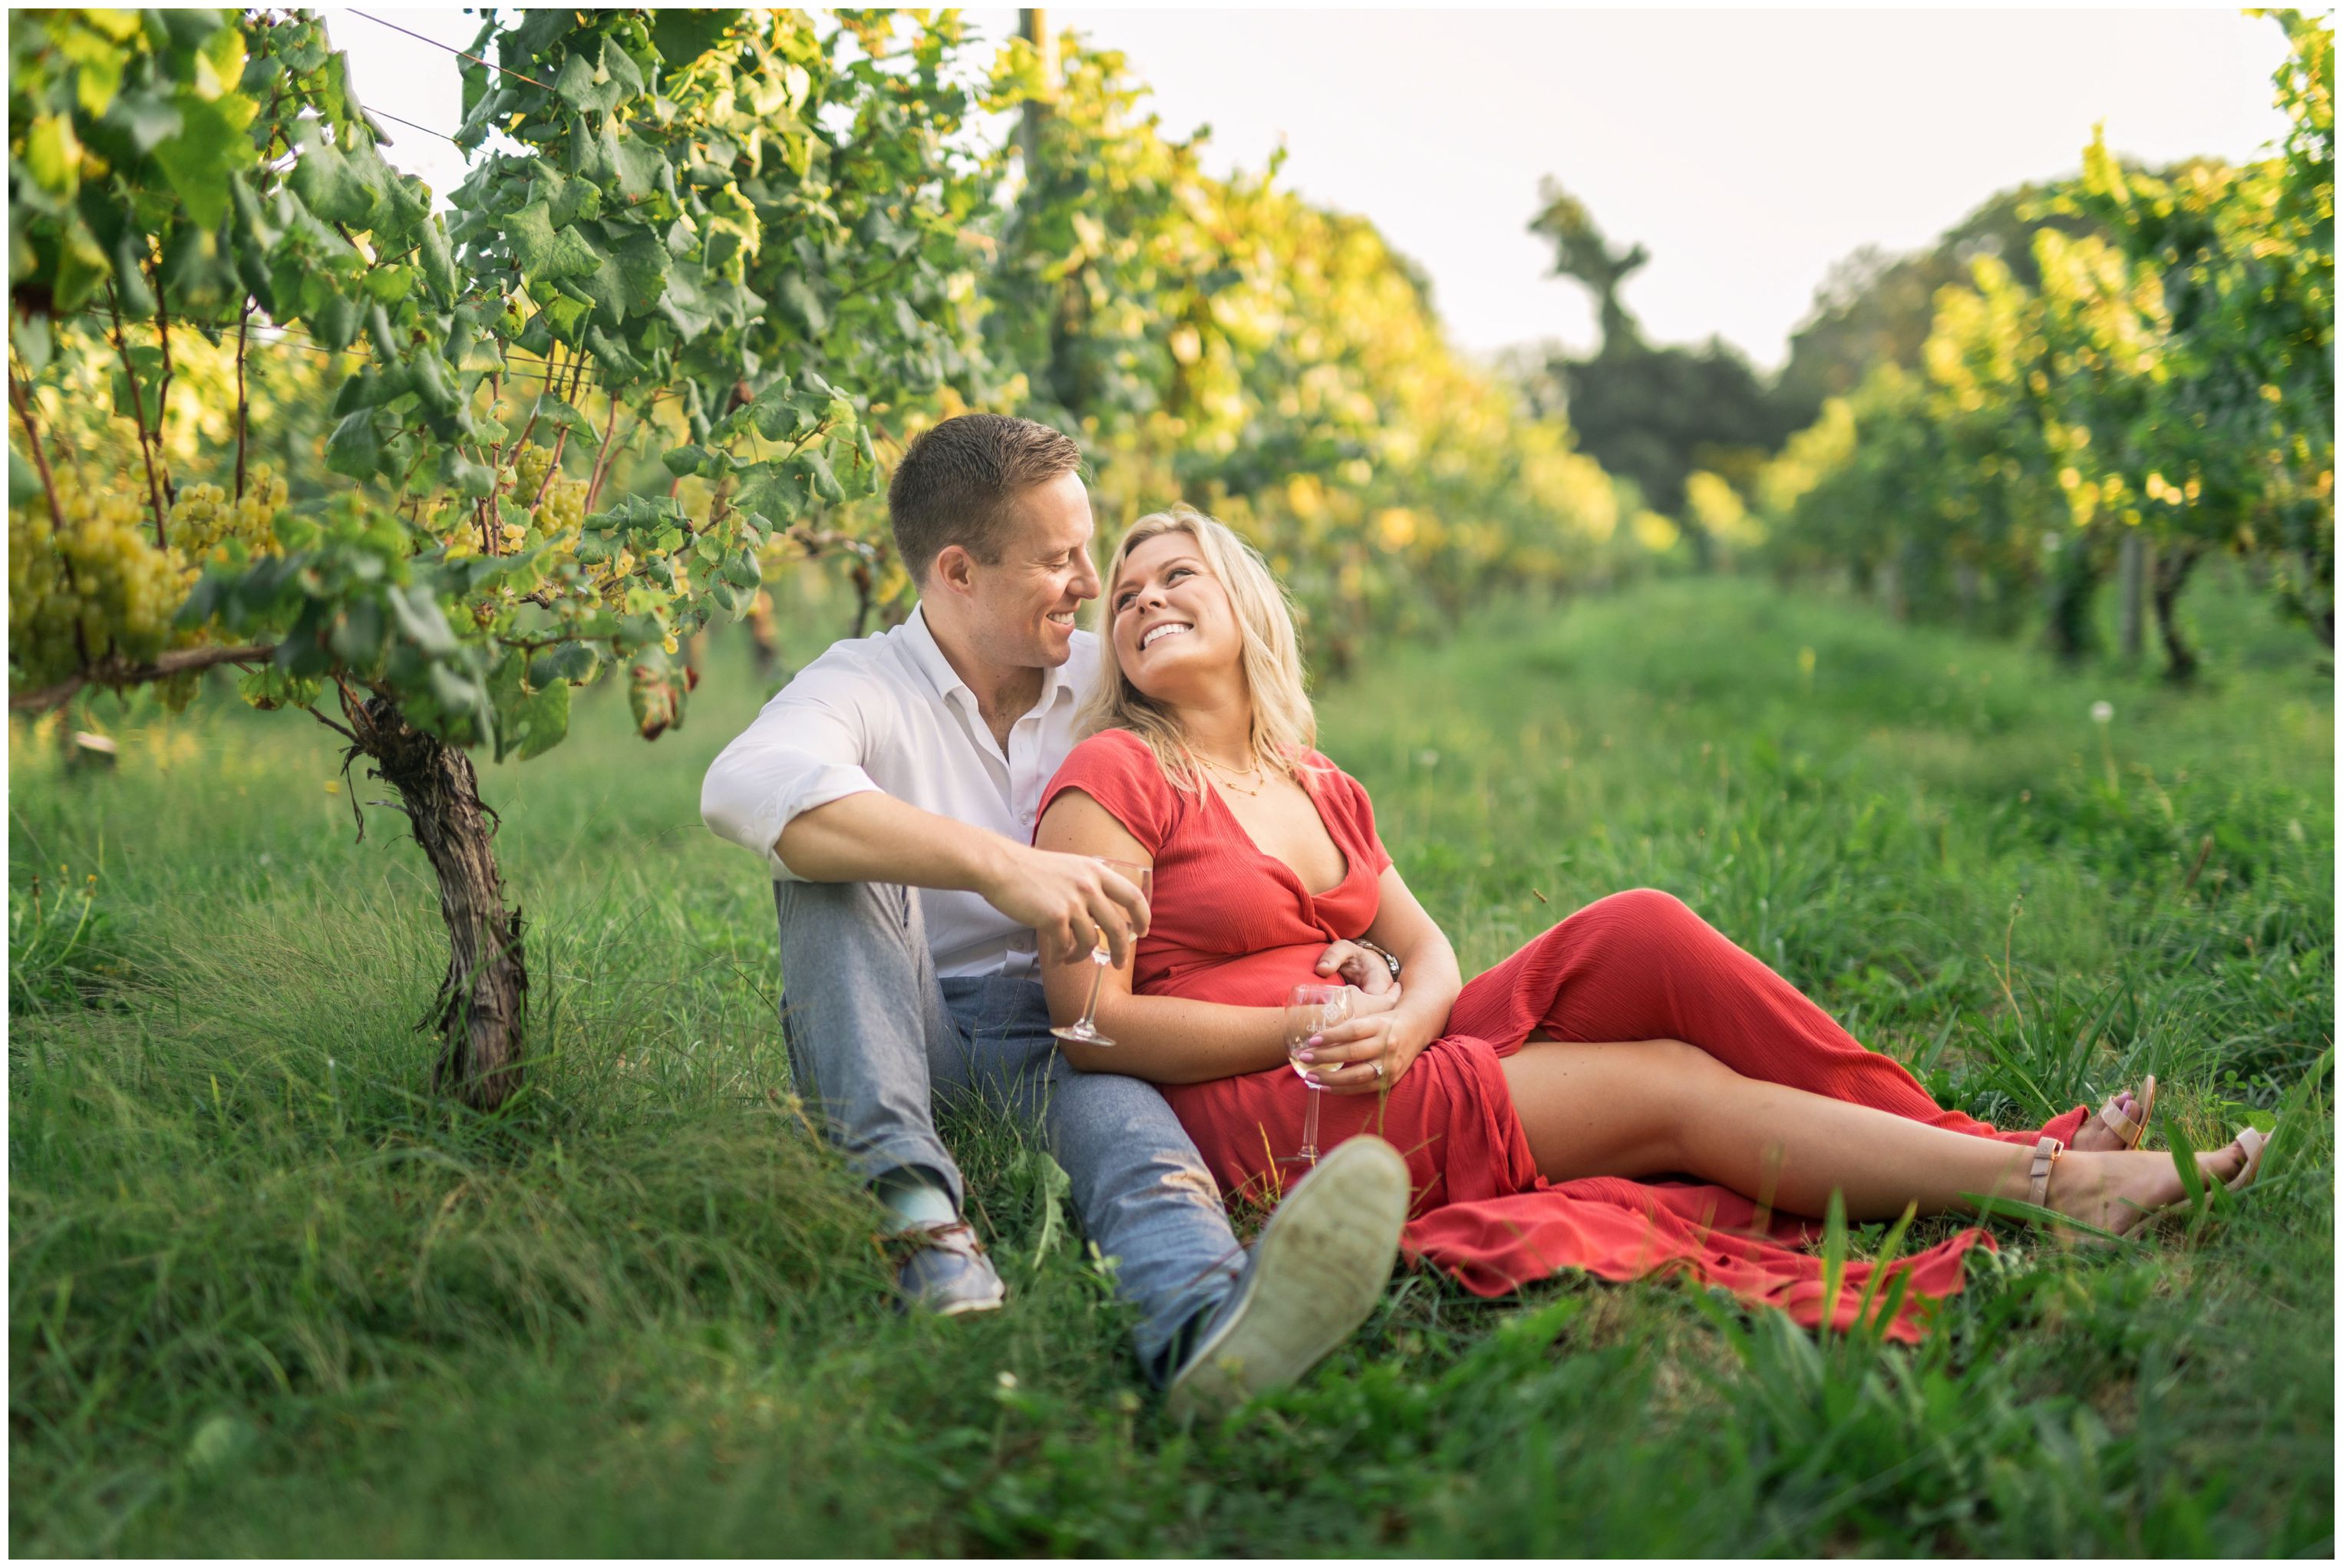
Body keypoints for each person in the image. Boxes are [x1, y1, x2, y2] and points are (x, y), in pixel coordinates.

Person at [1031, 504, 2267, 1345]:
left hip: (1382, 1049)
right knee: (1672, 1087)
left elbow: (1429, 951)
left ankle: (1966, 1143)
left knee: (1641, 926)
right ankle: (2041, 1181)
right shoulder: (1114, 775)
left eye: (1173, 575)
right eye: (1123, 595)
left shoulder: (1314, 779)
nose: (1139, 601)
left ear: (1242, 600)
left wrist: (1409, 1014)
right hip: (1285, 1106)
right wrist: (1314, 1021)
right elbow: (1089, 1025)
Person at [700, 415, 1411, 1411]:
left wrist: (1346, 937)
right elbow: (741, 787)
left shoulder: (1109, 671)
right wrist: (1000, 869)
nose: (1090, 582)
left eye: (1089, 551)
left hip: (1071, 1027)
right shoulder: (863, 684)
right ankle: (918, 1219)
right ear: (957, 572)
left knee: (1142, 1160)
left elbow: (1247, 780)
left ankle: (1208, 1331)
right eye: (1058, 560)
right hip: (923, 1030)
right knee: (824, 854)